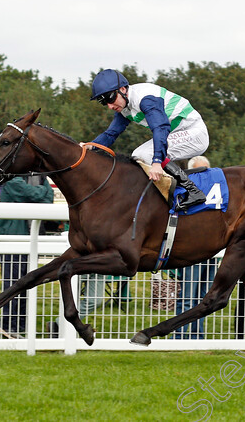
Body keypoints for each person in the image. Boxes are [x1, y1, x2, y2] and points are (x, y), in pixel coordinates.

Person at [86, 69, 208, 208]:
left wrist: (156, 162)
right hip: (178, 133)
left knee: (144, 154)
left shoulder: (145, 98)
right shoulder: (124, 106)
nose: (109, 106)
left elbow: (160, 128)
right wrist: (90, 146)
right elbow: (111, 134)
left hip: (194, 133)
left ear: (122, 89)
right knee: (139, 155)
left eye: (110, 98)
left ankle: (193, 191)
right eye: (104, 103)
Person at [0, 175, 54, 339]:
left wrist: (37, 193)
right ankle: (7, 325)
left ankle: (17, 327)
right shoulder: (12, 179)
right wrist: (39, 192)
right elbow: (39, 195)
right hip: (14, 239)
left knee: (26, 284)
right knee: (13, 284)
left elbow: (49, 198)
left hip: (31, 238)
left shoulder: (39, 177)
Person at [172, 155, 217, 339]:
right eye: (199, 170)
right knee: (188, 295)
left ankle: (197, 336)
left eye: (206, 170)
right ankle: (180, 336)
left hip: (213, 251)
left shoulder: (215, 191)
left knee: (204, 297)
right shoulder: (185, 191)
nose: (203, 174)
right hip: (193, 249)